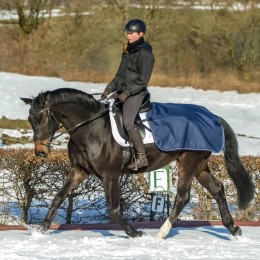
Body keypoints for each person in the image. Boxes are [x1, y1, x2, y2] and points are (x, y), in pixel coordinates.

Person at [101, 18, 155, 170]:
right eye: (127, 33)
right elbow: (119, 75)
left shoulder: (145, 54)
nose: (128, 36)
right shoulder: (127, 51)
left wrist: (127, 92)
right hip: (121, 92)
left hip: (136, 94)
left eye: (131, 33)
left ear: (141, 33)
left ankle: (141, 156)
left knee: (128, 123)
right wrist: (108, 89)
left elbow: (143, 80)